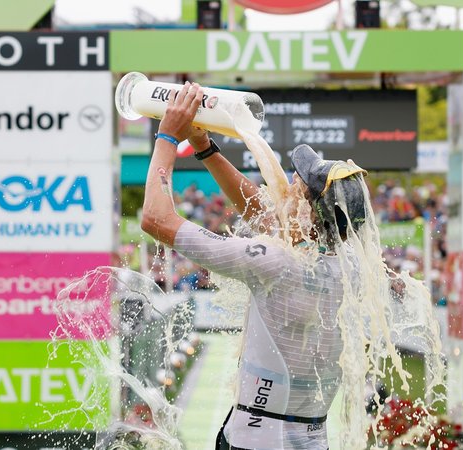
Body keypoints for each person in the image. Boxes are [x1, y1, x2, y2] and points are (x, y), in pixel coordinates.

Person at [140, 82, 369, 449]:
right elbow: (264, 213)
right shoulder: (352, 263)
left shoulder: (278, 263)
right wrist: (204, 147)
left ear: (309, 213)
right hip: (312, 440)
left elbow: (156, 219)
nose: (285, 192)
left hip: (255, 440)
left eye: (295, 189)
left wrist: (167, 137)